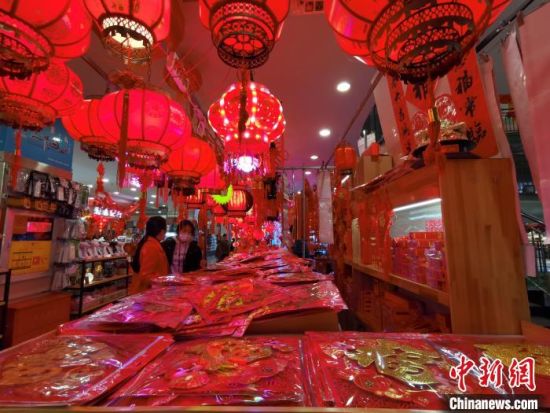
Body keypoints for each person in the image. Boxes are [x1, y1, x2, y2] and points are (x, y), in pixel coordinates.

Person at [130, 216, 169, 293]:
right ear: (162, 231)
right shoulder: (151, 246)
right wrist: (163, 281)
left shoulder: (151, 243)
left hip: (149, 291)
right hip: (146, 293)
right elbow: (146, 276)